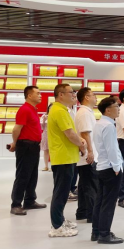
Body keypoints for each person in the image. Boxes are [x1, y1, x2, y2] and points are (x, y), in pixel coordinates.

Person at [48, 84, 87, 238]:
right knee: (61, 193)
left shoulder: (62, 110)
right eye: (71, 92)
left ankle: (60, 220)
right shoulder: (59, 111)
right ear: (61, 94)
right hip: (63, 157)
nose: (74, 95)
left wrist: (79, 142)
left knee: (63, 192)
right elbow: (70, 134)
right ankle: (57, 226)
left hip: (67, 156)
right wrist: (82, 144)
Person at [9, 86, 47, 216]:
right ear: (29, 95)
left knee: (32, 175)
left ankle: (30, 200)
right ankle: (16, 204)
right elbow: (16, 129)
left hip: (33, 146)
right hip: (25, 146)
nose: (40, 95)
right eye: (38, 93)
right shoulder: (25, 109)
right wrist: (15, 143)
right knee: (23, 175)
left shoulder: (32, 109)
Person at [92, 97, 124, 245]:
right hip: (110, 168)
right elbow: (111, 149)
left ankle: (96, 231)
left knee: (100, 201)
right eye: (116, 106)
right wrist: (117, 167)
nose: (118, 109)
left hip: (102, 166)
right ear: (108, 110)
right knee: (108, 203)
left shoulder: (99, 123)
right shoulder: (109, 126)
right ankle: (104, 234)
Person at [75, 87, 99, 223]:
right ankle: (92, 214)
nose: (96, 97)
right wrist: (90, 151)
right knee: (91, 184)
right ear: (87, 97)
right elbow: (85, 133)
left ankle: (82, 211)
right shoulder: (84, 113)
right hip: (87, 155)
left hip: (86, 154)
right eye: (93, 95)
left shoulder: (86, 112)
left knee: (85, 184)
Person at [41, 104, 52, 172]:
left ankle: (52, 166)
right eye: (50, 108)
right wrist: (44, 119)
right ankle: (46, 166)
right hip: (45, 134)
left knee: (52, 151)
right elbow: (42, 127)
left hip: (53, 135)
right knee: (46, 150)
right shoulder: (44, 116)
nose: (51, 109)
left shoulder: (56, 116)